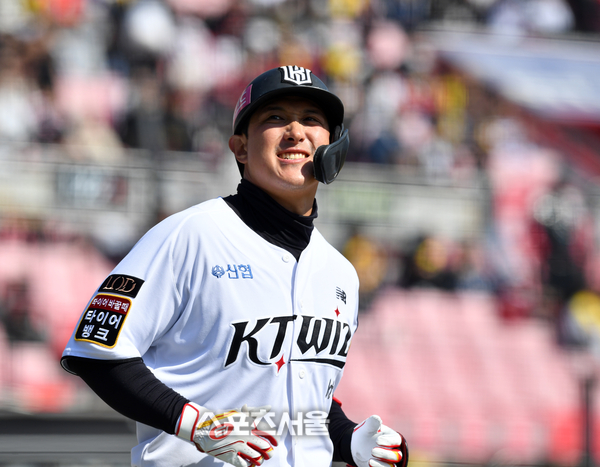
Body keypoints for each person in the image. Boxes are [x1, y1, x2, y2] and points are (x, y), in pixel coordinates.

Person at [61, 65, 408, 467]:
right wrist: (194, 424)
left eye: (312, 119)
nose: (296, 132)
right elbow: (95, 351)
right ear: (240, 148)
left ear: (334, 145)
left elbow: (294, 393)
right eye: (275, 117)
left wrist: (348, 438)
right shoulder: (191, 235)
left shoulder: (340, 271)